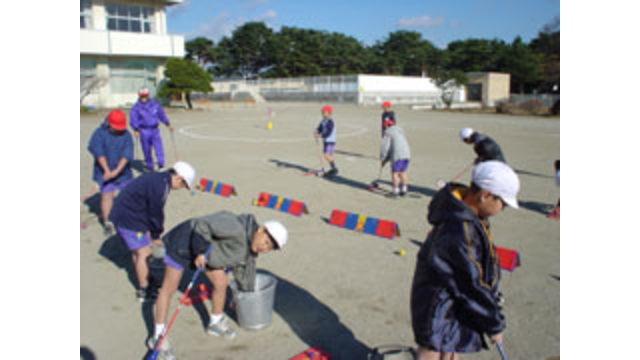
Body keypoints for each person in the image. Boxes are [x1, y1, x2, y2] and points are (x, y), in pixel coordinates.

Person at [410, 161, 520, 360]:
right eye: (502, 203)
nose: (503, 208)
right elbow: (472, 283)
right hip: (436, 301)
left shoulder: (472, 215)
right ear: (485, 195)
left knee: (450, 343)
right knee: (431, 348)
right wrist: (493, 323)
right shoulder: (459, 230)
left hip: (453, 298)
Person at [148, 211, 288, 357]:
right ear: (261, 229)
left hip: (208, 255)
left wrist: (242, 295)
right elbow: (201, 225)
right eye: (266, 241)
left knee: (221, 283)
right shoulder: (235, 227)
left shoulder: (249, 251)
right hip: (183, 243)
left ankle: (215, 323)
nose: (264, 247)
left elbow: (245, 273)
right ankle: (158, 337)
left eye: (269, 247)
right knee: (169, 288)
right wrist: (200, 252)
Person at [109, 161, 196, 302]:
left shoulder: (158, 177)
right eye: (183, 185)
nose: (181, 188)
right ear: (179, 178)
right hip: (129, 218)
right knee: (144, 253)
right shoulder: (161, 187)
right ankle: (144, 288)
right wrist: (156, 235)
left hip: (126, 213)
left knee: (138, 251)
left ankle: (143, 279)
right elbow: (156, 213)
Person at [87, 109, 134, 235]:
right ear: (108, 124)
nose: (119, 131)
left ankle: (128, 219)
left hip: (123, 172)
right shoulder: (99, 133)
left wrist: (117, 171)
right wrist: (107, 170)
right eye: (116, 128)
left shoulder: (127, 135)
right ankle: (108, 222)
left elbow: (127, 154)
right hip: (104, 172)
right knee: (107, 196)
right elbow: (98, 152)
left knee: (129, 194)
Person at [130, 88, 174, 171]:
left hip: (155, 130)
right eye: (142, 96)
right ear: (139, 96)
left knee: (159, 147)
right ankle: (150, 166)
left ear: (148, 95)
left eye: (145, 96)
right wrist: (135, 129)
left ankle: (161, 164)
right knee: (146, 150)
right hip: (144, 131)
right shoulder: (136, 107)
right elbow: (134, 118)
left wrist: (168, 124)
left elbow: (161, 115)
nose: (143, 98)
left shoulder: (155, 105)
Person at [380, 120, 411, 197]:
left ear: (386, 126)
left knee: (395, 173)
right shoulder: (400, 130)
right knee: (402, 172)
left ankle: (395, 191)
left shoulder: (388, 132)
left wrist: (383, 158)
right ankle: (404, 190)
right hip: (407, 154)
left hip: (398, 155)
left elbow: (385, 147)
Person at [314, 105, 338, 177]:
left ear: (329, 113)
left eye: (324, 112)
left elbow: (328, 132)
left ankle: (334, 168)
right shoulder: (323, 121)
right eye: (322, 112)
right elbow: (320, 128)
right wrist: (317, 131)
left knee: (326, 155)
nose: (323, 114)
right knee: (328, 155)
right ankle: (332, 168)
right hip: (326, 140)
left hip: (330, 140)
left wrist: (320, 136)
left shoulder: (330, 122)